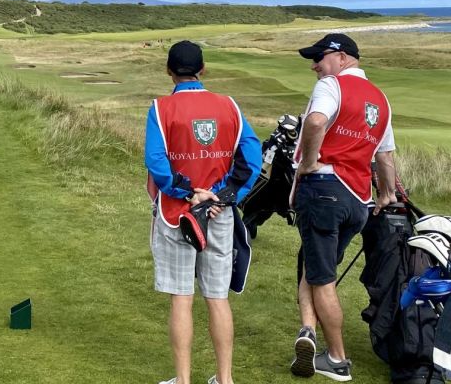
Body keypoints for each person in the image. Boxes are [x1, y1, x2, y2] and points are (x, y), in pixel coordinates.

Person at [146, 41, 263, 384]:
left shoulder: (160, 108)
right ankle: (224, 380)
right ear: (203, 69)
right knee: (217, 297)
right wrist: (221, 194)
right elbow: (252, 157)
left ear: (169, 71)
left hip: (177, 214)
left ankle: (183, 381)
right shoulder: (229, 106)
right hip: (217, 213)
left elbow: (156, 161)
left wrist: (187, 192)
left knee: (182, 299)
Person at [289, 33, 398, 382]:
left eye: (319, 57)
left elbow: (316, 122)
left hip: (324, 191)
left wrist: (308, 162)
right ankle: (307, 329)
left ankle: (337, 359)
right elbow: (384, 156)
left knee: (323, 279)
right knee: (314, 264)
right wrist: (386, 194)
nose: (314, 65)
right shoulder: (381, 99)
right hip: (358, 201)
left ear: (340, 56)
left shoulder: (332, 85)